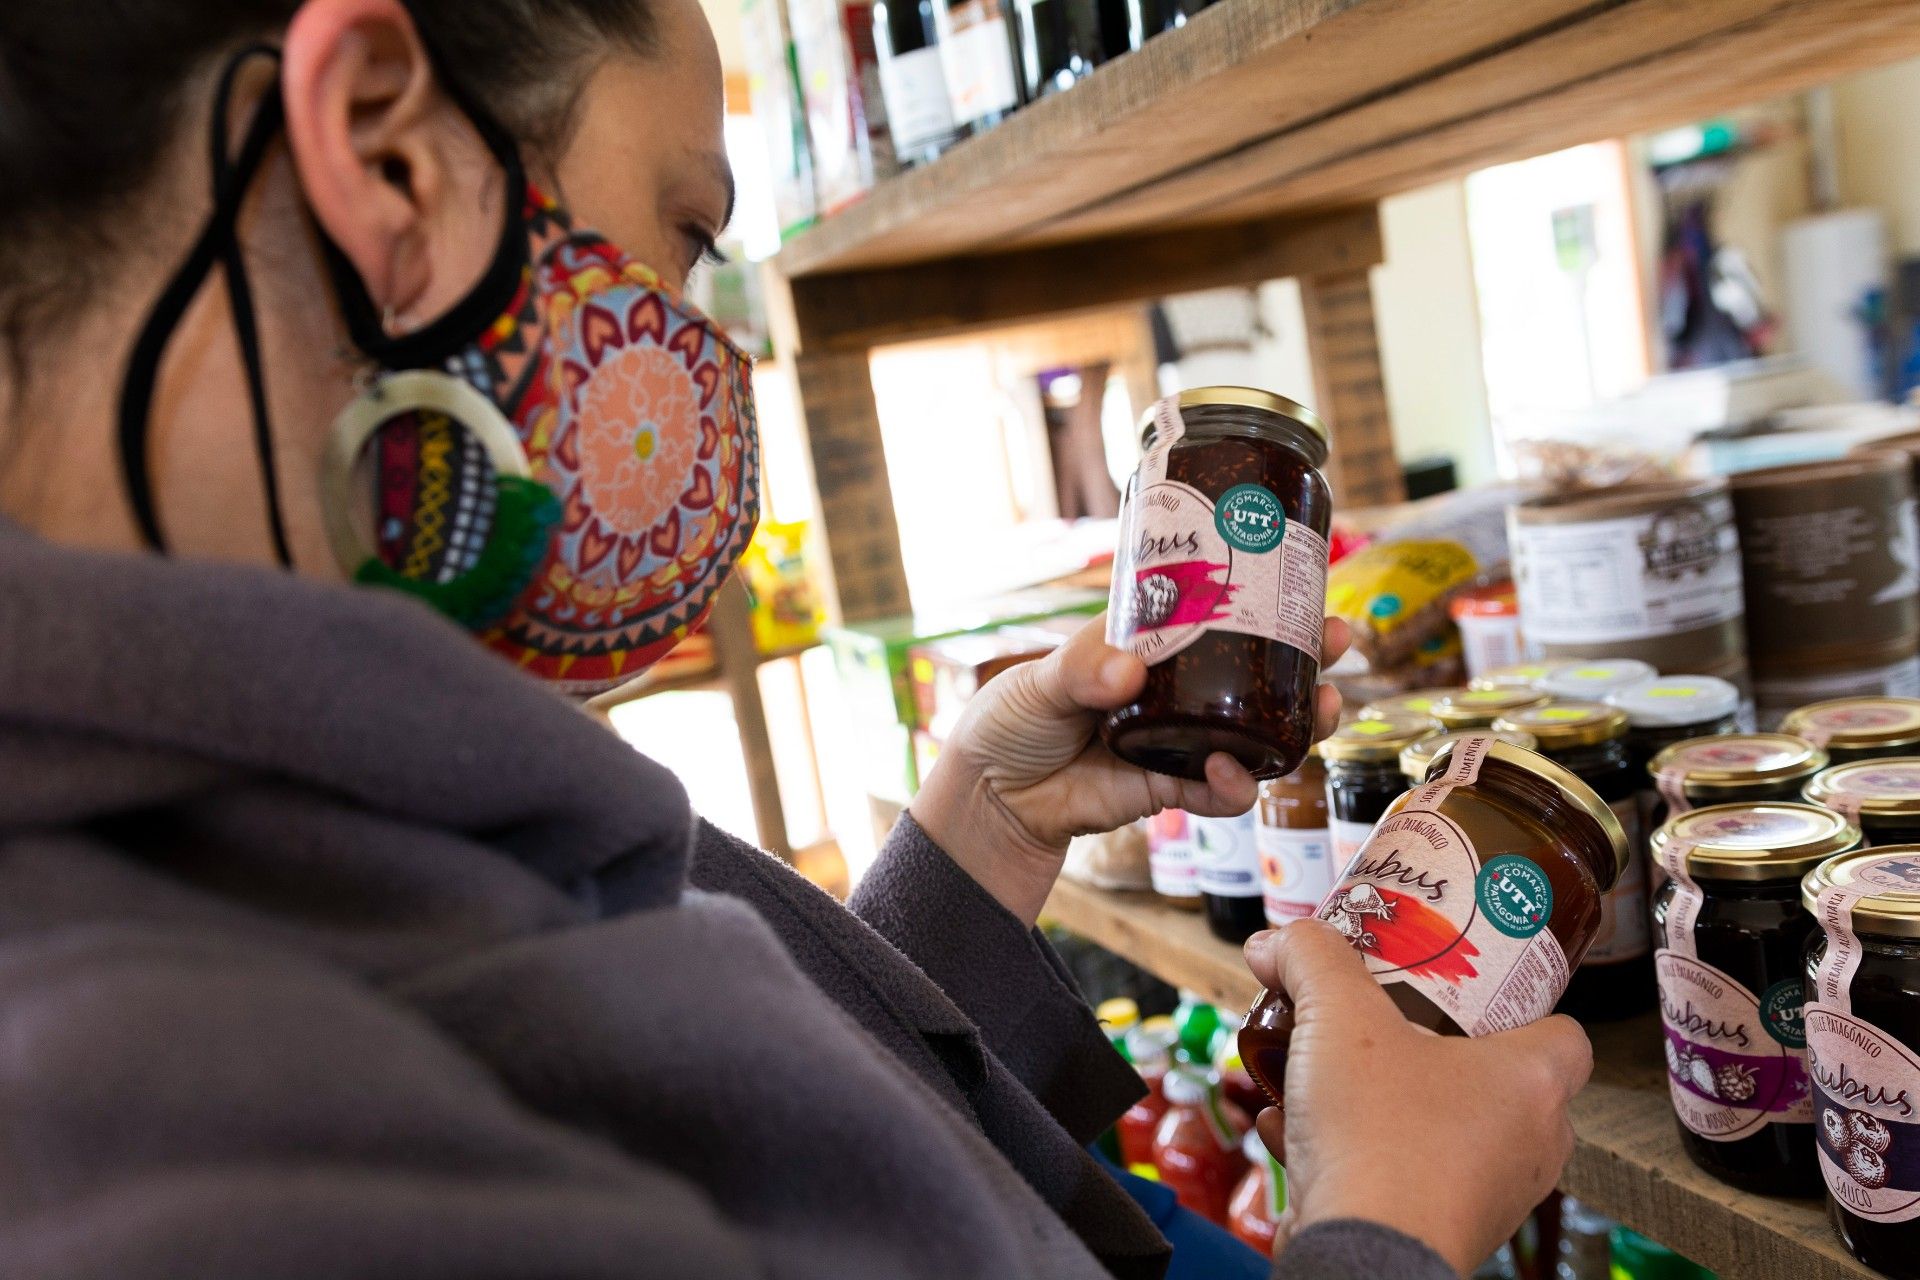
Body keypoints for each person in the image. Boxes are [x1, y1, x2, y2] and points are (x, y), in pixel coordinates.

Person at [0, 1, 1591, 1276]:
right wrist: (1389, 1226)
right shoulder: (167, 1120)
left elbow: (753, 1146)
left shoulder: (331, 769)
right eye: (687, 235)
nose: (707, 348)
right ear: (387, 157)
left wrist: (974, 846)